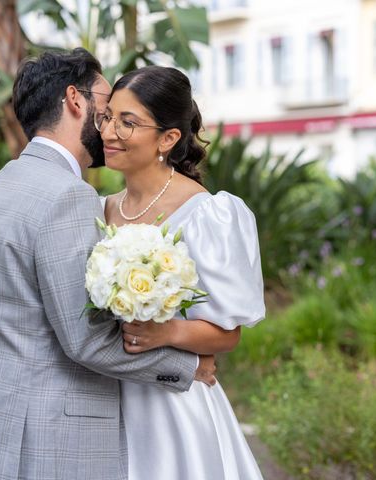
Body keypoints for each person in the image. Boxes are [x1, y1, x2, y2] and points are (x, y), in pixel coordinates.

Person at [0, 49, 217, 480]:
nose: (110, 123)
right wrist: (189, 366)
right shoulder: (66, 196)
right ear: (75, 100)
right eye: (106, 106)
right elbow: (86, 341)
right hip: (43, 447)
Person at [98, 65, 266, 479]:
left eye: (128, 122)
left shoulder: (210, 214)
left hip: (171, 408)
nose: (108, 132)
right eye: (107, 116)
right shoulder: (96, 208)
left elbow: (228, 333)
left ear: (169, 138)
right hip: (100, 400)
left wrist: (167, 332)